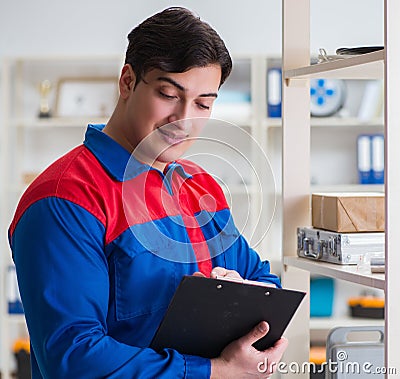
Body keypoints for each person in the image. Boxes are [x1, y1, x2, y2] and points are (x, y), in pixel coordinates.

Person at [9, 7, 288, 379]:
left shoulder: (200, 186)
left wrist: (243, 309)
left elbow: (263, 282)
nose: (184, 118)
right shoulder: (65, 200)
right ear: (127, 82)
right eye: (169, 94)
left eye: (204, 103)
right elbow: (73, 357)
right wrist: (213, 370)